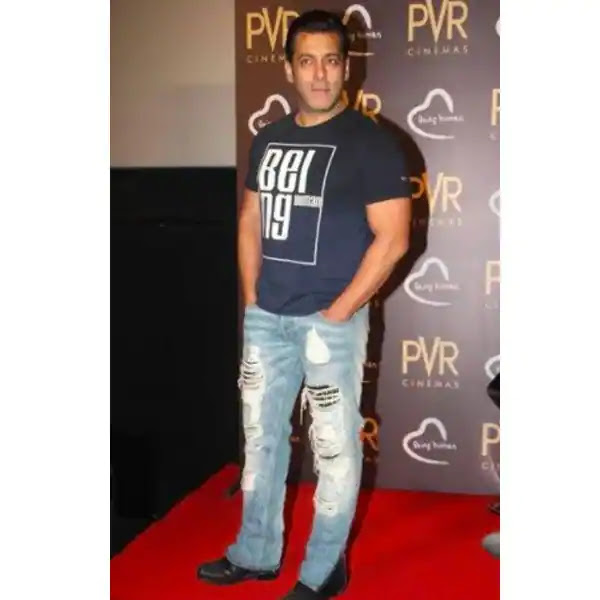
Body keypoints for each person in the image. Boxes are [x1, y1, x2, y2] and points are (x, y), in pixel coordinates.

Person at [197, 9, 411, 599]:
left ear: (347, 67)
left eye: (331, 61)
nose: (320, 74)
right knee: (260, 442)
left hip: (329, 325)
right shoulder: (268, 138)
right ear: (290, 67)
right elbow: (250, 218)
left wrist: (339, 312)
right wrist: (252, 299)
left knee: (334, 449)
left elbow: (394, 238)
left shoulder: (372, 143)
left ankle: (323, 569)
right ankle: (255, 552)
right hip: (267, 319)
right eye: (307, 61)